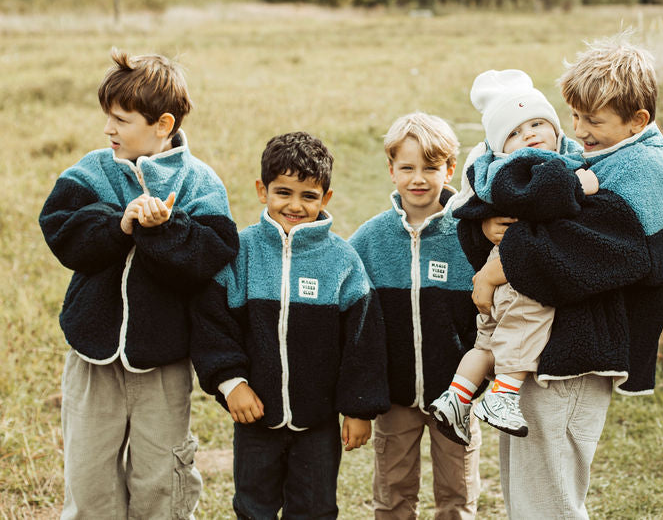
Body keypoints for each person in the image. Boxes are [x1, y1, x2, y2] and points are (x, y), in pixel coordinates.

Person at [457, 35, 663, 519]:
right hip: (541, 351)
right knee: (526, 494)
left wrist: (495, 267)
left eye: (593, 120)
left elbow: (567, 257)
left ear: (637, 120)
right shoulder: (593, 157)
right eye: (574, 116)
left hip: (576, 358)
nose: (579, 130)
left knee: (549, 502)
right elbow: (511, 218)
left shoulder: (639, 174)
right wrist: (484, 229)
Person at [38, 47, 239, 519]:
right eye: (107, 117)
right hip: (93, 358)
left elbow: (211, 257)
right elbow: (62, 234)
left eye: (121, 120)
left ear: (163, 125)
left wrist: (165, 229)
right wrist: (120, 225)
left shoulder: (199, 182)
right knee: (89, 483)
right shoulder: (92, 170)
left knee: (161, 483)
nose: (108, 129)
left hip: (164, 363)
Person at [190, 131, 388, 518]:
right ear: (262, 191)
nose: (295, 205)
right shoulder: (241, 252)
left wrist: (359, 408)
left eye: (308, 196)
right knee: (253, 507)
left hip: (319, 421)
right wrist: (232, 384)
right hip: (254, 416)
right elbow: (212, 324)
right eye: (284, 192)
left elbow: (364, 340)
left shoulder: (342, 260)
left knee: (314, 508)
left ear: (326, 198)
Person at [427, 69, 597, 444]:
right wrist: (578, 183)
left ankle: (457, 395)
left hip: (497, 275)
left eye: (537, 123)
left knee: (485, 344)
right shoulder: (523, 168)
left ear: (556, 126)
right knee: (526, 324)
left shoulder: (498, 169)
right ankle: (503, 395)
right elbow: (544, 199)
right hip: (518, 277)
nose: (530, 135)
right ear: (501, 147)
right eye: (515, 133)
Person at [349, 113, 481, 520]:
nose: (418, 178)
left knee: (457, 497)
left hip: (456, 397)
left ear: (449, 169)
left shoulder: (470, 234)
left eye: (430, 167)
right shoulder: (369, 240)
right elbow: (353, 319)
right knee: (393, 496)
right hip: (395, 398)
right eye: (407, 168)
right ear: (391, 171)